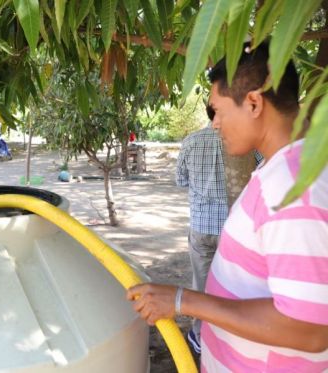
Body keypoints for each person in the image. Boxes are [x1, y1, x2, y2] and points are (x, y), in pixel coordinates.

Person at [127, 41, 328, 371]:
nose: (215, 123)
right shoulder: (282, 169)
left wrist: (183, 300)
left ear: (252, 103)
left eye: (218, 110)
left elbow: (310, 329)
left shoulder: (292, 187)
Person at [175, 123, 228, 354]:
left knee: (201, 282)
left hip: (200, 224)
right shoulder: (242, 138)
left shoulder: (190, 141)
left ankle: (199, 335)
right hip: (230, 224)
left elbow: (181, 179)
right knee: (230, 283)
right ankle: (227, 333)